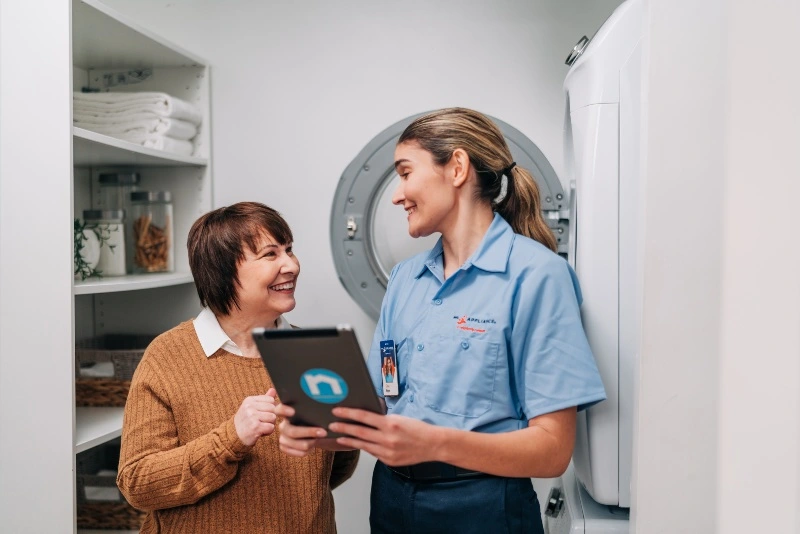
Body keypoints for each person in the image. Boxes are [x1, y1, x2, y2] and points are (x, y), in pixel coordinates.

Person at [276, 108, 606, 533]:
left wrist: (434, 443)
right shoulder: (405, 279)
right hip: (391, 498)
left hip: (483, 506)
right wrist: (314, 420)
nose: (397, 194)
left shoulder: (538, 276)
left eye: (406, 172)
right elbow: (383, 399)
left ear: (457, 167)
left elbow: (552, 451)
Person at [117, 202, 359, 533]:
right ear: (224, 271)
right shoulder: (167, 357)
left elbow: (331, 472)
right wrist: (232, 437)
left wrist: (349, 432)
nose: (291, 265)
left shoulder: (316, 353)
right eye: (270, 255)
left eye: (289, 250)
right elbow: (138, 483)